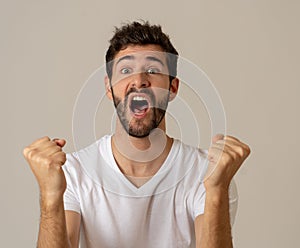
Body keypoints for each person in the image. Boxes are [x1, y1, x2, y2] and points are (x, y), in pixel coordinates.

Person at [23, 21, 250, 248]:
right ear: (109, 88)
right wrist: (51, 196)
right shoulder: (73, 172)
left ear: (172, 88)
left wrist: (217, 190)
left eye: (153, 70)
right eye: (125, 70)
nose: (139, 80)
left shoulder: (208, 174)